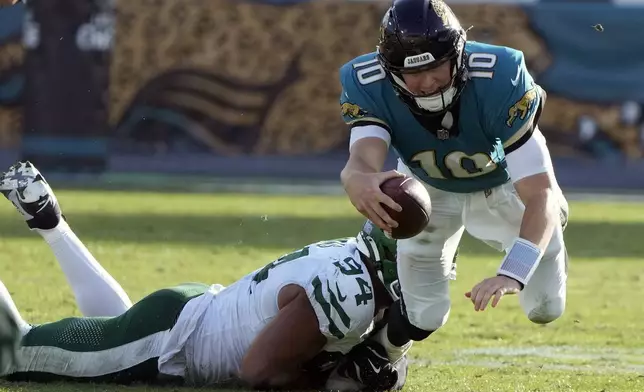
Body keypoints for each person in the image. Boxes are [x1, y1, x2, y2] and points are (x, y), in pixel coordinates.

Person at [0, 161, 409, 390]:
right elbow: (259, 372)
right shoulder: (351, 292)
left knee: (116, 338)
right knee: (13, 353)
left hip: (185, 317)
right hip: (176, 338)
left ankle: (52, 225)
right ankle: (52, 226)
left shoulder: (354, 259)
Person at [339, 0, 569, 356]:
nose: (427, 83)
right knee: (424, 314)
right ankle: (374, 355)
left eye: (436, 67)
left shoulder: (501, 76)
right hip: (428, 189)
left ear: (458, 55)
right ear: (389, 69)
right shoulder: (367, 82)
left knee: (545, 308)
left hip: (504, 185)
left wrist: (512, 273)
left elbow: (541, 193)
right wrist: (356, 180)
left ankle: (543, 241)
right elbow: (362, 159)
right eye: (412, 72)